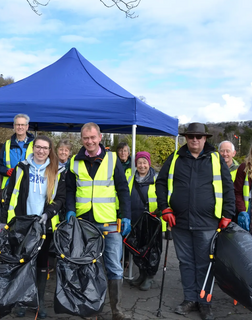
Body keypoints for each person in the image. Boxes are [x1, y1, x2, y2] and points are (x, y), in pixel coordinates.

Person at [155, 122, 235, 320]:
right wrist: (164, 207)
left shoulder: (215, 159)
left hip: (208, 223)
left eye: (198, 137)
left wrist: (227, 214)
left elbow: (228, 188)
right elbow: (161, 183)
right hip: (180, 222)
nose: (195, 140)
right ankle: (190, 298)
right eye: (191, 136)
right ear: (186, 138)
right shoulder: (175, 158)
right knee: (186, 263)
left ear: (205, 138)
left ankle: (204, 302)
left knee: (205, 264)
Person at [65, 122, 132, 320]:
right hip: (84, 221)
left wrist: (126, 214)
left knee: (114, 266)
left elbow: (122, 189)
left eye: (93, 137)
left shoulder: (112, 159)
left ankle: (116, 311)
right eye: (86, 138)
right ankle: (91, 308)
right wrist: (70, 210)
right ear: (81, 139)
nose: (90, 141)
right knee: (87, 265)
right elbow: (69, 189)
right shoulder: (74, 162)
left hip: (109, 221)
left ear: (100, 137)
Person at [1, 135, 65, 319]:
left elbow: (60, 198)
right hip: (23, 225)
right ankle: (22, 300)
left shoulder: (57, 170)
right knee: (23, 264)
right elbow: (10, 194)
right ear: (33, 148)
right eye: (38, 147)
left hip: (44, 226)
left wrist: (48, 213)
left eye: (45, 148)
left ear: (49, 150)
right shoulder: (21, 168)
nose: (41, 151)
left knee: (41, 265)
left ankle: (39, 302)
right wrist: (5, 220)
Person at [128, 151, 163, 291]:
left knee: (151, 250)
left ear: (149, 163)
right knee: (137, 248)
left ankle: (149, 276)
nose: (142, 166)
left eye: (144, 162)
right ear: (136, 164)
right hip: (135, 220)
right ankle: (142, 274)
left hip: (152, 221)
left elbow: (164, 197)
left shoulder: (157, 179)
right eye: (139, 163)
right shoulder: (130, 178)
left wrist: (160, 211)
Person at [0, 114, 35, 189]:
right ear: (14, 126)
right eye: (18, 125)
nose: (20, 127)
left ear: (27, 127)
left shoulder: (35, 144)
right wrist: (6, 171)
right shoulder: (7, 144)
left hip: (29, 186)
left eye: (22, 125)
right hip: (9, 186)